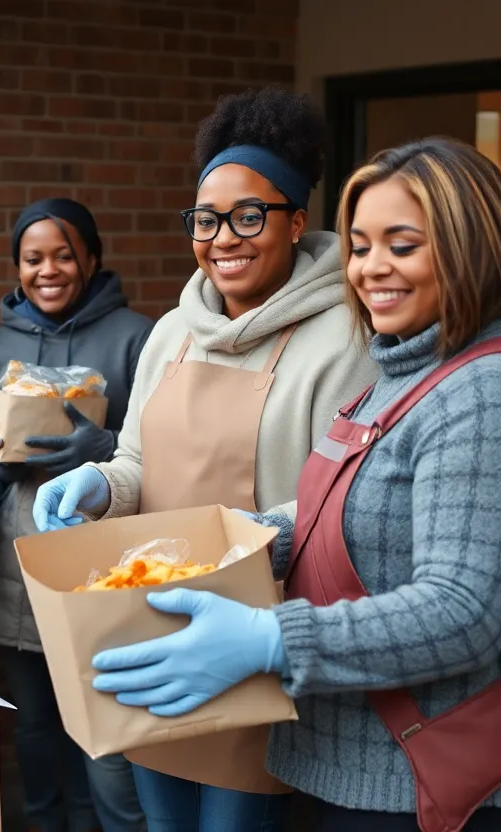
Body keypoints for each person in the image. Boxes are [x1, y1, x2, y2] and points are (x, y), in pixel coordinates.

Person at [74, 137, 501, 831]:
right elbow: (331, 511)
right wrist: (203, 555)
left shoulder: (478, 392)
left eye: (403, 244)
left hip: (409, 780)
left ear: (468, 247)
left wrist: (270, 639)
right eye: (362, 246)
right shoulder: (402, 375)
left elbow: (461, 612)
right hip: (336, 758)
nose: (371, 269)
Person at [33, 86, 378, 831]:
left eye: (250, 216)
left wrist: (237, 542)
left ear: (295, 221)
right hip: (156, 635)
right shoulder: (172, 334)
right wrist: (96, 485)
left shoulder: (345, 342)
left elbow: (348, 500)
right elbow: (134, 462)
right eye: (206, 219)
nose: (225, 237)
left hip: (262, 645)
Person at [0, 198, 152, 832]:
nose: (48, 270)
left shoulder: (135, 336)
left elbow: (158, 444)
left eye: (63, 255)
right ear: (16, 267)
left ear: (92, 258)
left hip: (101, 562)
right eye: (32, 258)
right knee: (37, 725)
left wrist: (105, 449)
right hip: (17, 568)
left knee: (103, 726)